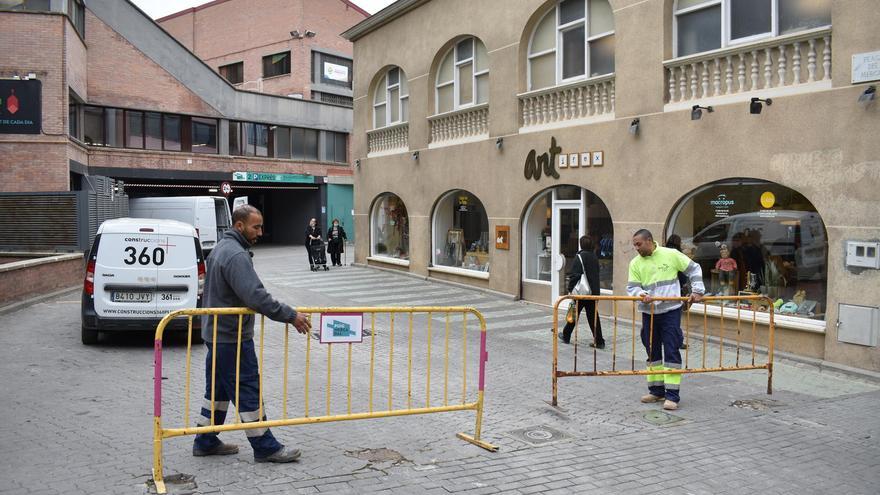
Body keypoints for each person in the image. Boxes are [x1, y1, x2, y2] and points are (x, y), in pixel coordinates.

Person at [193, 205, 312, 463]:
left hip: (217, 334)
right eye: (255, 227)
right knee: (247, 387)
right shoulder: (236, 254)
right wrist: (291, 315)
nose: (260, 232)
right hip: (231, 336)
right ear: (239, 226)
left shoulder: (222, 249)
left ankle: (205, 440)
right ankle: (265, 447)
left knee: (217, 391)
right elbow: (256, 296)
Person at [627, 229, 704, 411]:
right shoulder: (635, 263)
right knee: (652, 351)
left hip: (670, 312)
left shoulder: (670, 254)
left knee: (671, 351)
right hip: (649, 314)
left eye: (639, 244)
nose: (636, 248)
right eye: (634, 245)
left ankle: (672, 396)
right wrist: (641, 294)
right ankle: (656, 391)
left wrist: (697, 290)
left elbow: (694, 268)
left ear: (649, 240)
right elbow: (632, 287)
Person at [559, 235, 605, 348]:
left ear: (581, 244)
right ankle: (599, 341)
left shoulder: (579, 256)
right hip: (593, 292)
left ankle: (566, 335)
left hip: (581, 292)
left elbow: (575, 275)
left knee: (574, 313)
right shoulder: (594, 257)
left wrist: (570, 289)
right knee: (593, 317)